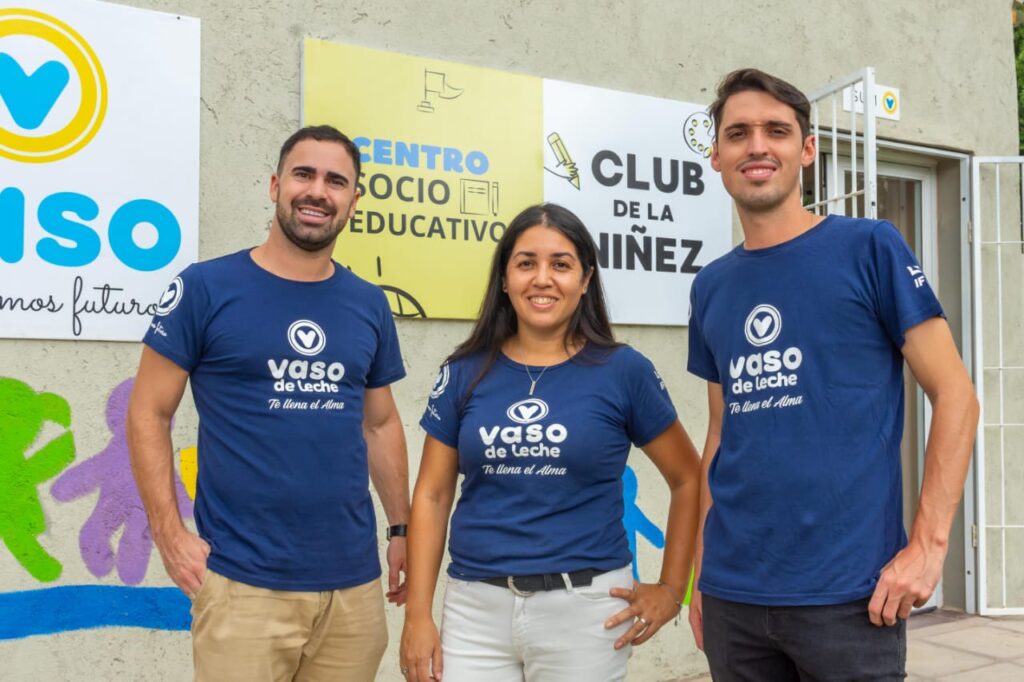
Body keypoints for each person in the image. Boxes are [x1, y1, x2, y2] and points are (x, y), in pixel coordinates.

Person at [686, 69, 980, 680]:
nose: (757, 146)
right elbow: (720, 432)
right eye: (738, 133)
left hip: (850, 595)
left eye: (777, 131)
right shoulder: (711, 286)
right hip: (733, 596)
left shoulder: (870, 247)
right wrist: (701, 573)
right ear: (716, 156)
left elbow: (956, 395)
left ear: (808, 150)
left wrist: (928, 546)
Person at [127, 125, 411, 682]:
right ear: (276, 185)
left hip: (353, 589)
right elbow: (148, 412)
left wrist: (400, 530)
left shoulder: (368, 304)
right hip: (243, 584)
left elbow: (380, 425)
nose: (318, 191)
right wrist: (168, 532)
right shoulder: (205, 288)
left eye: (336, 181)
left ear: (354, 201)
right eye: (304, 174)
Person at [399, 203, 701, 682]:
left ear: (585, 280)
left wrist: (671, 588)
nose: (542, 279)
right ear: (504, 279)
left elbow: (688, 478)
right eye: (526, 263)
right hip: (475, 612)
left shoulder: (624, 371)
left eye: (560, 264)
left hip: (587, 613)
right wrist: (417, 615)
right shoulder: (462, 372)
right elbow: (432, 496)